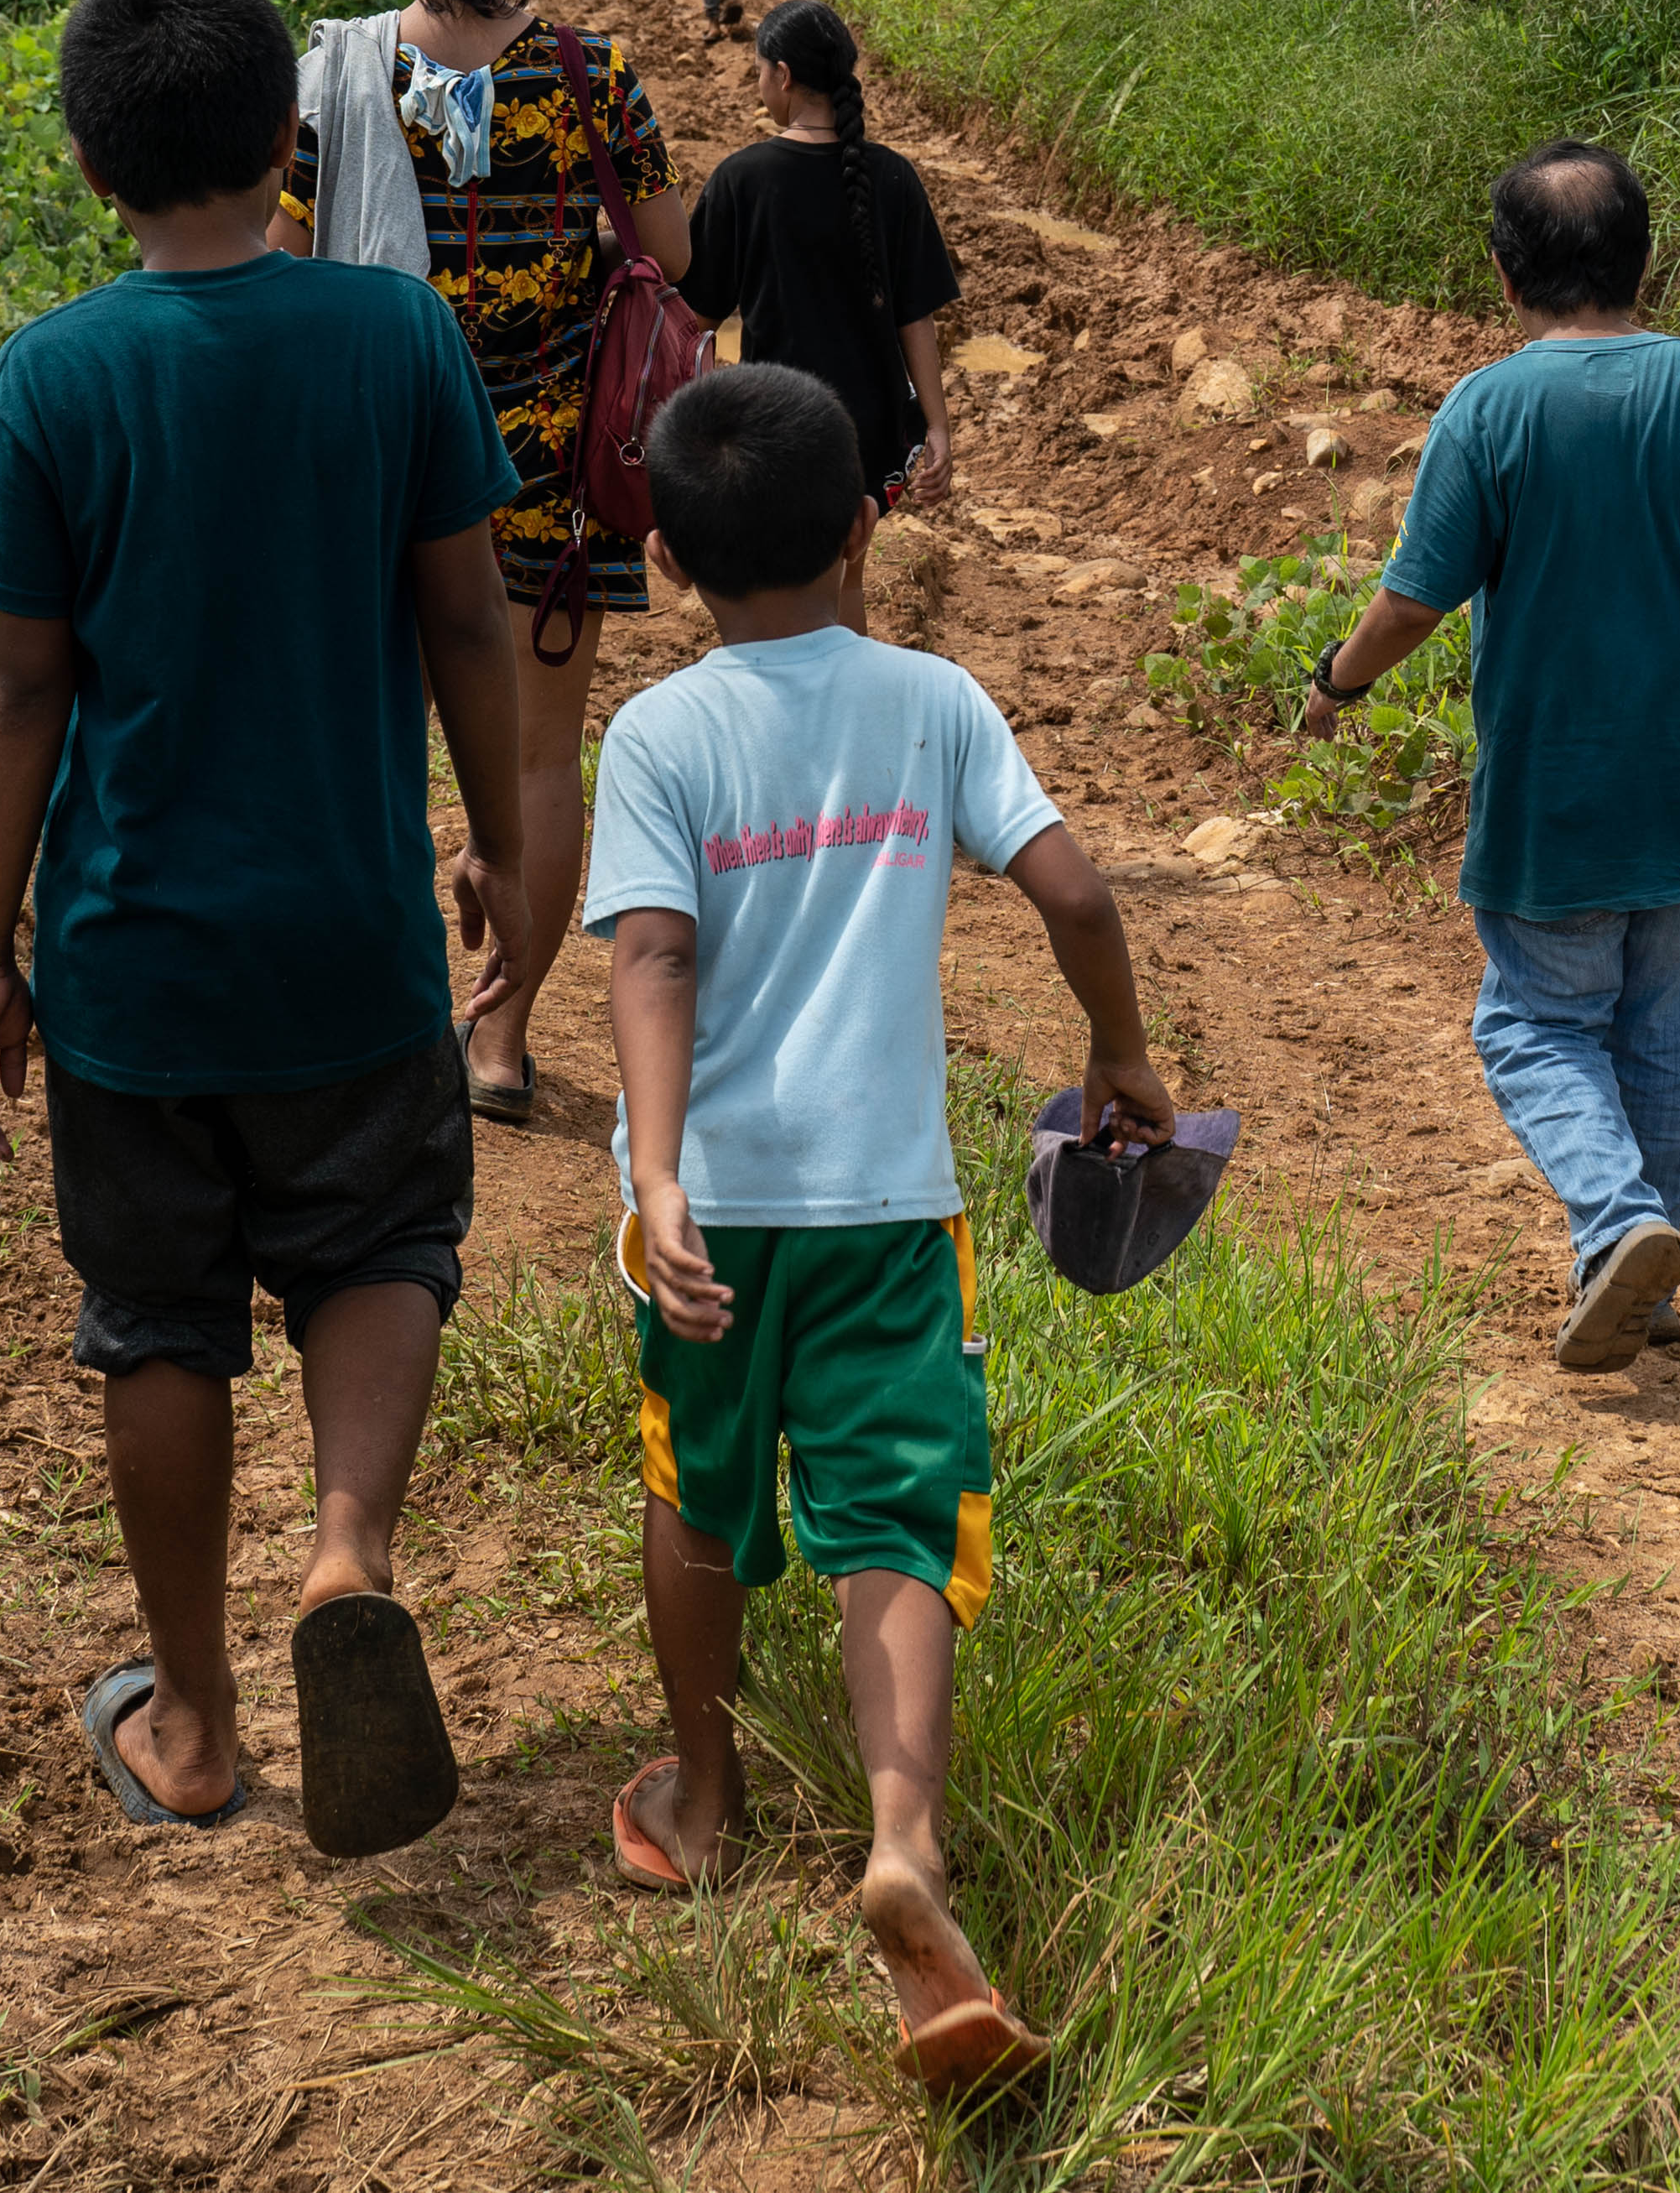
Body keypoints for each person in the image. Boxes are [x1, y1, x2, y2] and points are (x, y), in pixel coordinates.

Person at [0, 0, 536, 1855]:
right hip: (350, 940)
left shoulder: (53, 374)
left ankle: (192, 1720)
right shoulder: (394, 339)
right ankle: (345, 1549)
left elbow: (19, 684)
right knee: (376, 1239)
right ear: (289, 134)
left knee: (157, 1313)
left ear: (83, 159)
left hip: (132, 963)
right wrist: (509, 840)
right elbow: (464, 613)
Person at [588, 362, 1168, 2105]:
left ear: (670, 559)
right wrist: (1119, 1048)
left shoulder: (660, 733)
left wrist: (663, 1173)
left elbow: (648, 956)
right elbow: (1068, 882)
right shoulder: (929, 700)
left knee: (699, 1480)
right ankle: (900, 1834)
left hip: (707, 1206)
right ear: (861, 528)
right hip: (886, 1203)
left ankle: (698, 1797)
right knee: (894, 1508)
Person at [1298, 143, 1680, 1375]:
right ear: (1641, 259)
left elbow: (1410, 602)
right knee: (1660, 1034)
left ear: (1502, 274)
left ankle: (1617, 1226)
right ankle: (1636, 1282)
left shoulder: (1488, 409)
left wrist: (1334, 682)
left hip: (1554, 795)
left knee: (1534, 1026)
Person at [285, 0, 692, 1126]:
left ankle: (387, 1014)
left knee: (373, 745)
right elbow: (670, 258)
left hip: (374, 468)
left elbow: (286, 264)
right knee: (530, 763)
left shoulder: (336, 72)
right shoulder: (593, 73)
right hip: (544, 483)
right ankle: (500, 1038)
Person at [680, 0, 966, 508]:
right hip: (870, 431)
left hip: (775, 425)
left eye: (760, 73)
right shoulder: (894, 178)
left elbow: (695, 323)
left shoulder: (741, 180)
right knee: (847, 576)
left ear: (783, 75)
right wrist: (938, 428)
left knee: (785, 578)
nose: (760, 85)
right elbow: (915, 317)